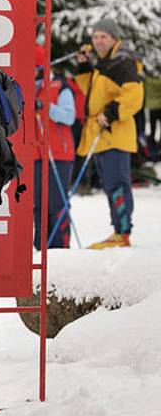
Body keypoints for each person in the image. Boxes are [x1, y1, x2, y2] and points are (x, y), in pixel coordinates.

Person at [74, 17, 144, 249]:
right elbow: (91, 92)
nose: (99, 41)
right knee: (110, 184)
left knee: (117, 184)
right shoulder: (104, 63)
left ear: (114, 38)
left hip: (115, 131)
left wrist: (111, 113)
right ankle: (118, 230)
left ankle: (122, 233)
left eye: (104, 36)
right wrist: (84, 65)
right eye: (95, 36)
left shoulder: (121, 62)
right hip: (103, 134)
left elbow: (134, 96)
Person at [34, 44, 77, 249]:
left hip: (58, 152)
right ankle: (40, 246)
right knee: (38, 205)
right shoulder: (23, 87)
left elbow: (69, 116)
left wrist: (45, 107)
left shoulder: (60, 86)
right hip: (35, 153)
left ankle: (61, 246)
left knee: (55, 203)